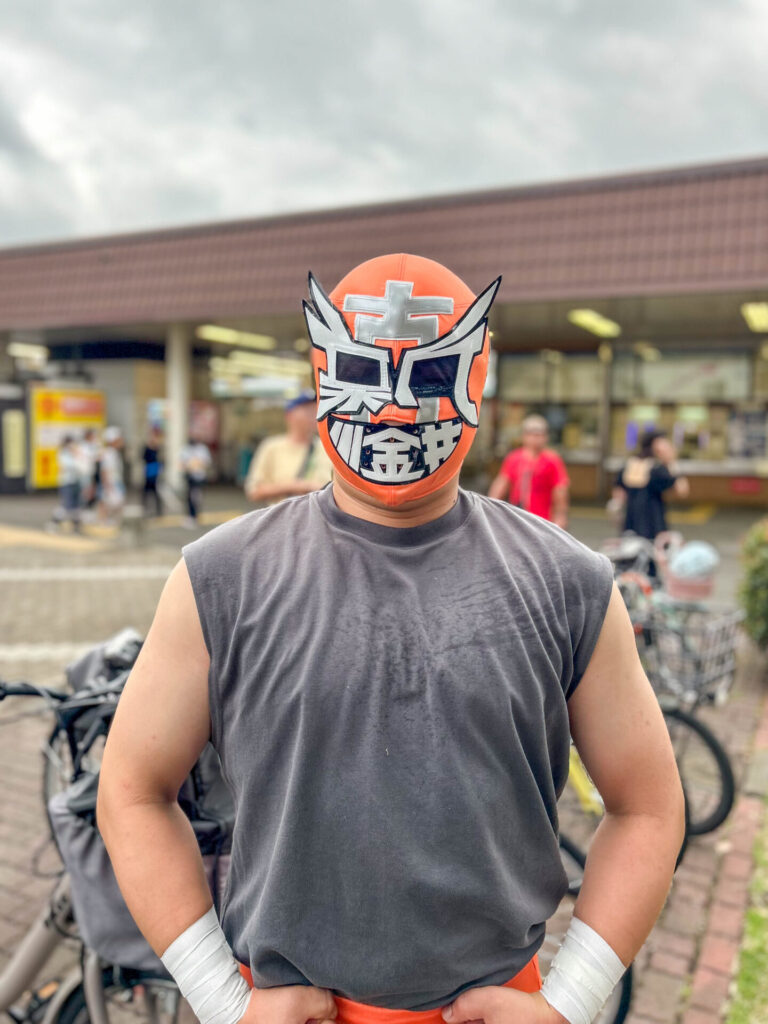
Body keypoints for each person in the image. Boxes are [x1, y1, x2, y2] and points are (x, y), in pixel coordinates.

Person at [98, 254, 684, 1024]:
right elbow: (132, 789)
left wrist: (569, 1003)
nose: (400, 410)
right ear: (323, 374)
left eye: (433, 375)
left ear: (476, 375)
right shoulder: (221, 576)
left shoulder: (567, 581)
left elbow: (647, 806)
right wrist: (221, 1000)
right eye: (363, 373)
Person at [244, 389, 333, 505]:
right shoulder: (271, 447)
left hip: (320, 515)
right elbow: (254, 491)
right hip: (283, 515)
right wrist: (297, 486)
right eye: (307, 409)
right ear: (289, 415)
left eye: (315, 408)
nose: (313, 414)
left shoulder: (328, 447)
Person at [488, 415, 570, 529]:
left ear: (546, 437)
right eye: (532, 434)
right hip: (518, 518)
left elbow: (560, 491)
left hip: (542, 521)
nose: (536, 438)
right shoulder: (514, 458)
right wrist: (490, 509)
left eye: (540, 434)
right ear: (524, 436)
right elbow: (501, 484)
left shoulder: (552, 460)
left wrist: (560, 517)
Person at [612, 429, 690, 541]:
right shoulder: (657, 469)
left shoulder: (629, 464)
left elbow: (618, 494)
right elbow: (682, 490)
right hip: (654, 525)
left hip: (630, 523)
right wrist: (671, 462)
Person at [48, 435, 83, 532]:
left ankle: (76, 525)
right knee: (66, 505)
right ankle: (54, 522)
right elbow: (68, 466)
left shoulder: (75, 453)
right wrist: (75, 455)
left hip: (76, 481)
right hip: (66, 482)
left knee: (76, 505)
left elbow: (82, 466)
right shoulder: (63, 453)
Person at [179, 436, 212, 526]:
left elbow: (206, 462)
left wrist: (196, 464)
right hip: (189, 477)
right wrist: (189, 466)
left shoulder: (202, 449)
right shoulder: (186, 448)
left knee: (196, 497)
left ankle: (195, 516)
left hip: (199, 477)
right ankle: (191, 516)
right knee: (189, 497)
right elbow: (181, 463)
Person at [98, 426, 126, 524]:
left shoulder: (114, 453)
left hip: (115, 482)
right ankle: (103, 522)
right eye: (119, 439)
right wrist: (107, 486)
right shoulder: (109, 454)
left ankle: (109, 521)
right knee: (107, 503)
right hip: (112, 483)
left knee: (114, 504)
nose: (121, 441)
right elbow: (104, 471)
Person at [142, 426, 164, 517]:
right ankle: (145, 509)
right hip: (149, 471)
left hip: (155, 472)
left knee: (156, 492)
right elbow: (144, 457)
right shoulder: (147, 447)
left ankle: (158, 511)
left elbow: (161, 460)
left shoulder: (158, 448)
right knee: (146, 492)